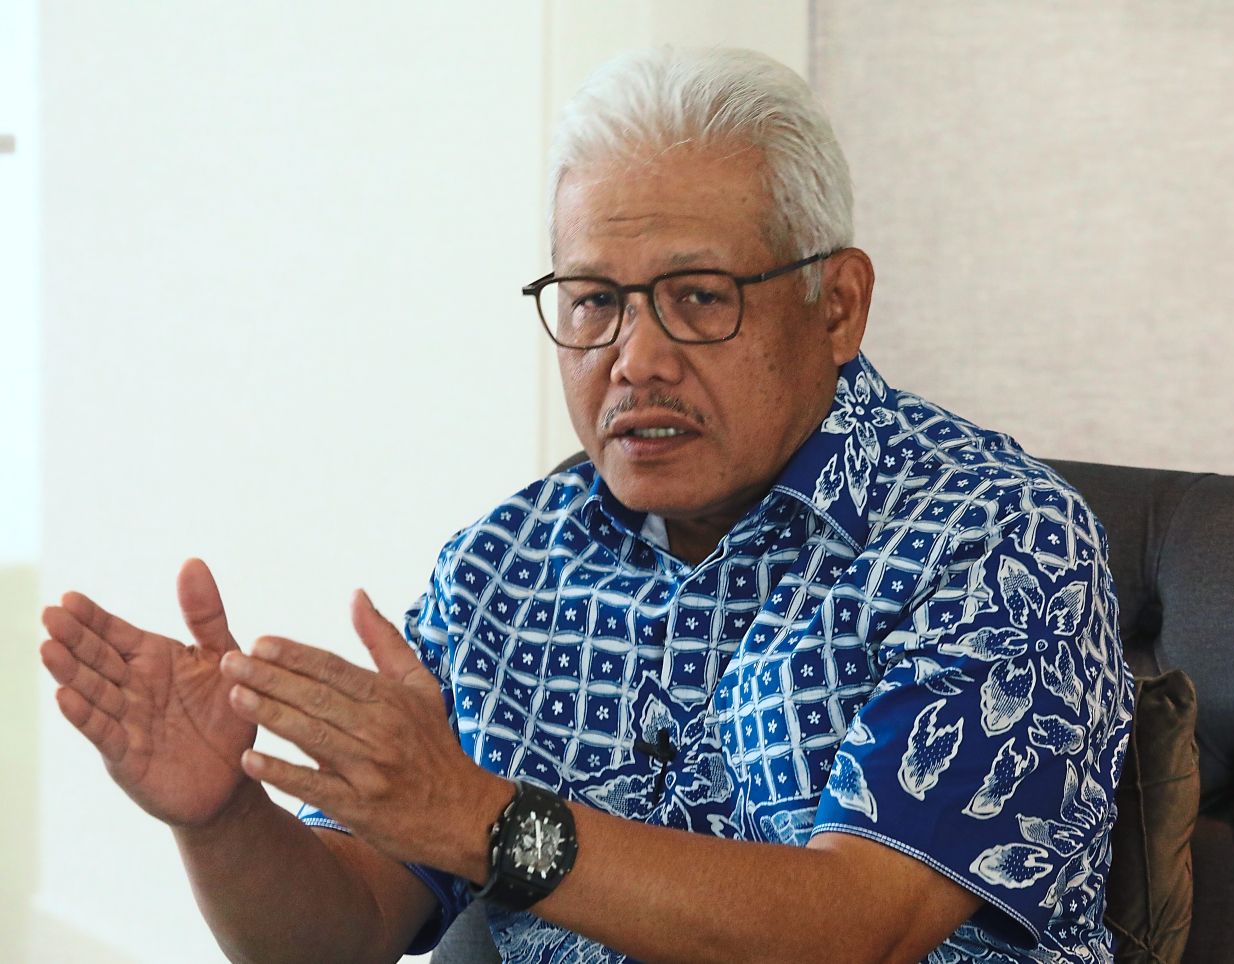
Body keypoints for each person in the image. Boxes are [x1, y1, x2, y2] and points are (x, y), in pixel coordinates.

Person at [39, 47, 1132, 963]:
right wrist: (223, 819)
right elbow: (348, 925)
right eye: (595, 301)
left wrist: (481, 819)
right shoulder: (502, 567)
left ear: (836, 305)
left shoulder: (992, 538)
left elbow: (859, 928)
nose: (635, 359)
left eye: (697, 297)